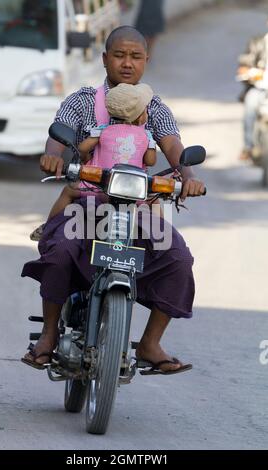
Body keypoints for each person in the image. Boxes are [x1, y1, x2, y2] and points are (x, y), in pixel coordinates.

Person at [21, 26, 205, 373]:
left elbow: (173, 146)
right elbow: (58, 134)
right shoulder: (82, 101)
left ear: (146, 62)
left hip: (136, 208)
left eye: (135, 57)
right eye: (119, 55)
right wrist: (54, 156)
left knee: (178, 257)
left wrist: (190, 176)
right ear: (105, 58)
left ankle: (150, 343)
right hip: (88, 202)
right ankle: (47, 336)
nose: (127, 63)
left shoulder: (154, 108)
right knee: (60, 250)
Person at [29, 82, 157, 241]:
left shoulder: (102, 130)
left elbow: (82, 148)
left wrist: (87, 158)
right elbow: (151, 161)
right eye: (145, 109)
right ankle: (158, 238)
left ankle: (48, 228)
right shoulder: (146, 136)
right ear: (139, 116)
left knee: (68, 192)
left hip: (98, 189)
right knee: (155, 201)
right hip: (132, 193)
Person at [237, 33, 268, 160]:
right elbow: (243, 68)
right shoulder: (257, 43)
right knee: (250, 102)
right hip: (259, 88)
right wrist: (252, 73)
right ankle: (248, 147)